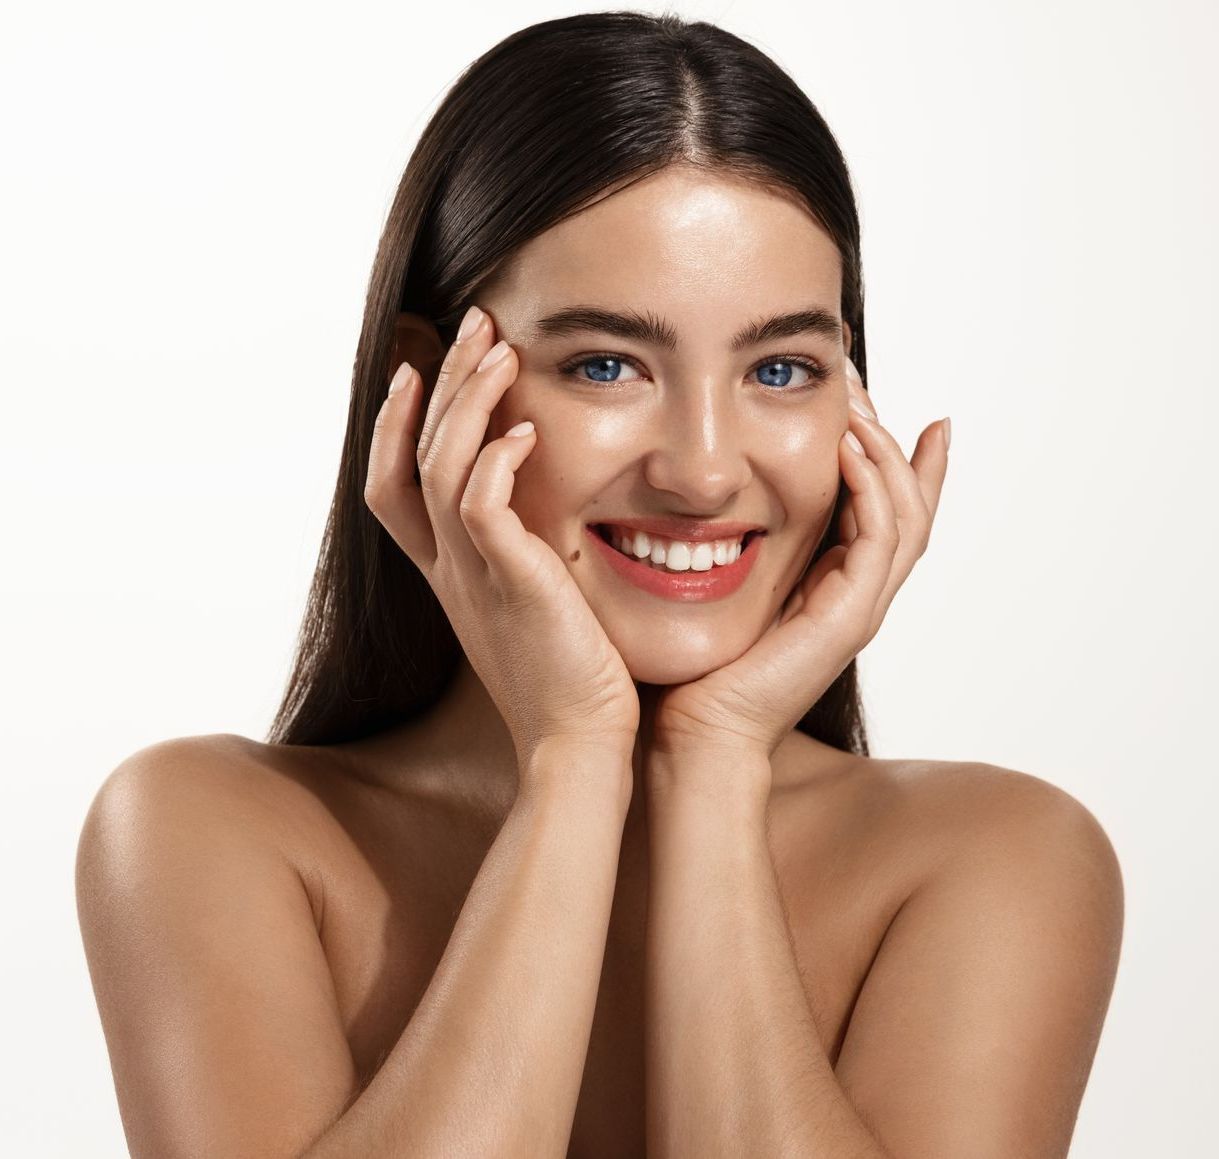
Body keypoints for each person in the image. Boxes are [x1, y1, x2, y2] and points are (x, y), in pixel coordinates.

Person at [75, 11, 1124, 1158]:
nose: (704, 468)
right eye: (606, 364)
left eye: (782, 368)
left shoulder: (996, 858)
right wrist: (571, 757)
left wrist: (714, 761)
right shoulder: (211, 831)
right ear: (426, 393)